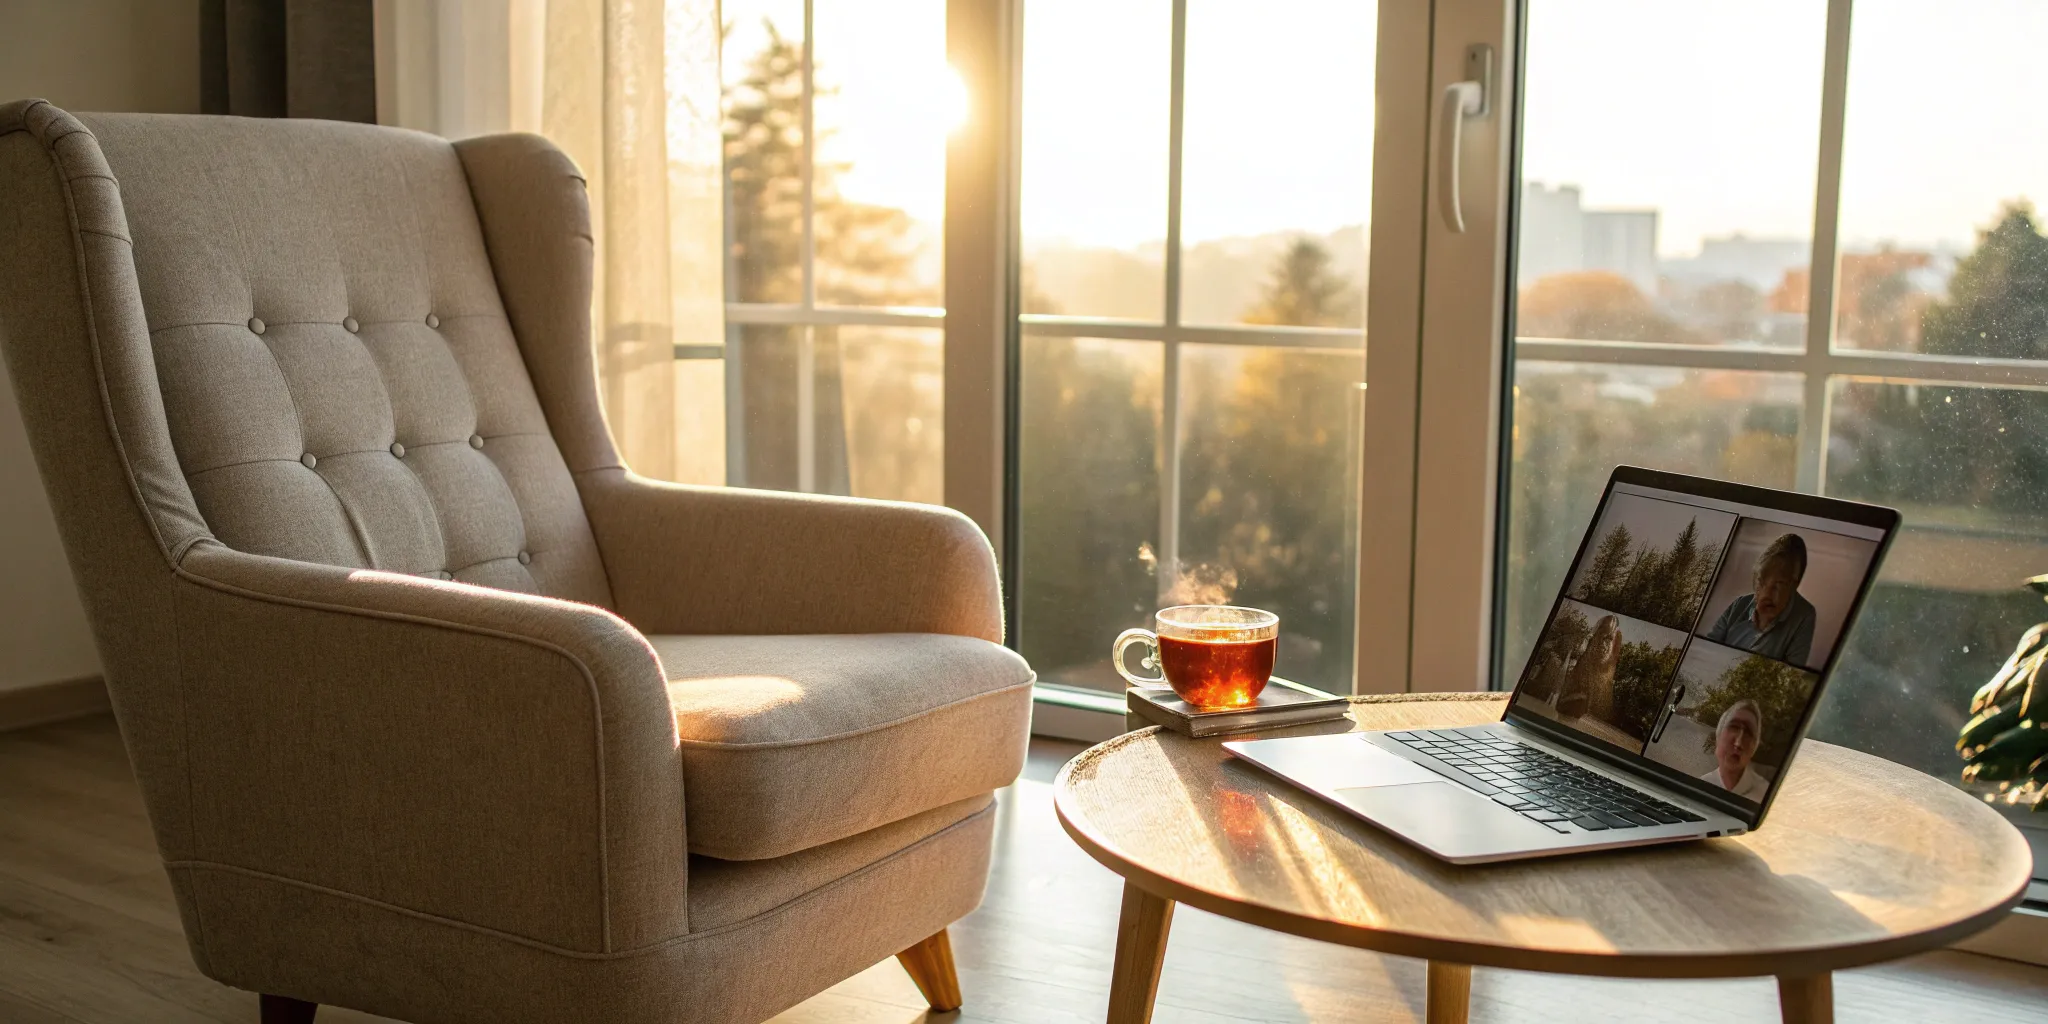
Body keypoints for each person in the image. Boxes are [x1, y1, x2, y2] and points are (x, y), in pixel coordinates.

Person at [1703, 532, 1816, 666]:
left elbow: (1790, 674)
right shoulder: (1740, 604)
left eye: (1778, 584)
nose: (1766, 593)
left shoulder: (1804, 615)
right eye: (1762, 582)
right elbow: (1707, 648)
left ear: (1793, 585)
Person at [1697, 699, 1770, 802]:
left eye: (1748, 733)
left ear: (1754, 746)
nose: (1738, 743)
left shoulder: (1766, 796)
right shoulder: (1701, 786)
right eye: (1734, 727)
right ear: (1718, 736)